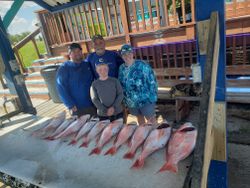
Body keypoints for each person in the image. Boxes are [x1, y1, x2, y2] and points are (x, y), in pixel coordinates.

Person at [118, 44, 158, 125]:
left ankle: (156, 135)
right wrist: (124, 100)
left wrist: (152, 98)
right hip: (131, 102)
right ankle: (143, 135)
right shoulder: (121, 68)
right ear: (122, 56)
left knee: (151, 120)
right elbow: (121, 83)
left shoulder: (142, 65)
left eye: (129, 53)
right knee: (139, 119)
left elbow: (152, 81)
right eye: (124, 54)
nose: (127, 56)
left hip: (146, 100)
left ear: (133, 54)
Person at [56, 43, 96, 117]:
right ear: (70, 54)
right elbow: (61, 87)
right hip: (76, 107)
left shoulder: (87, 64)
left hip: (92, 104)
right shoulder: (64, 68)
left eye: (79, 51)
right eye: (74, 51)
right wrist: (70, 104)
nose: (77, 53)